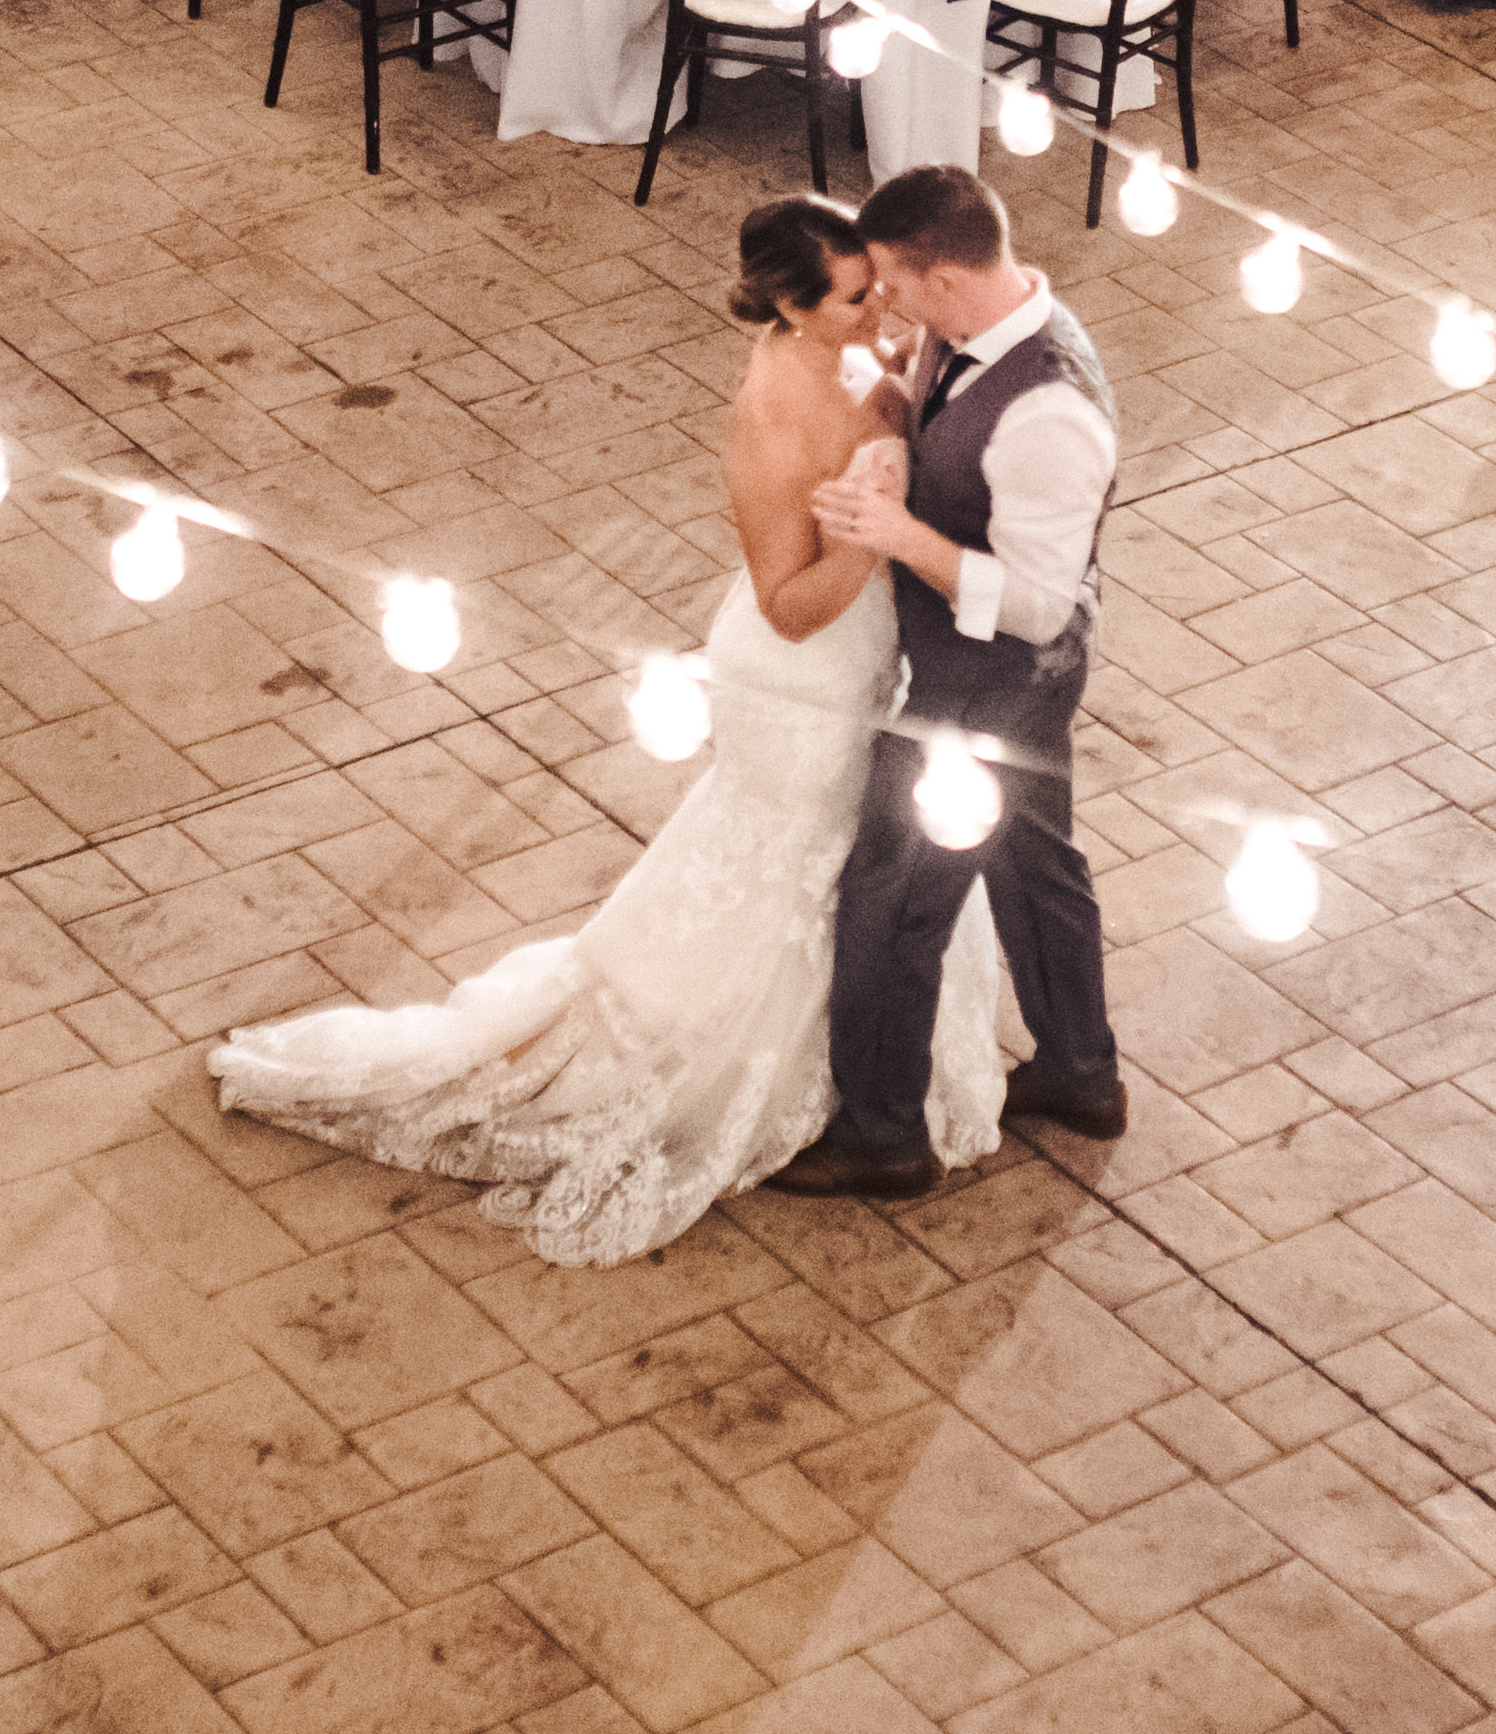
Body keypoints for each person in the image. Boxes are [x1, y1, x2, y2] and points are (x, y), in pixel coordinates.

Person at [206, 198, 1018, 1260]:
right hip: (801, 669)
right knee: (801, 866)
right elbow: (786, 600)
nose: (883, 308)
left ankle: (861, 1067)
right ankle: (770, 1074)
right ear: (789, 305)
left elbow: (882, 394)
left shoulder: (840, 353)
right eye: (859, 295)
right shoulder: (773, 416)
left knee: (845, 866)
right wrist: (881, 534)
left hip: (861, 654)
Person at [775, 165, 1121, 1202]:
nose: (882, 304)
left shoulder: (1049, 412)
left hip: (993, 682)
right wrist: (890, 447)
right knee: (1035, 862)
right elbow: (922, 414)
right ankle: (1081, 1071)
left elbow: (1037, 607)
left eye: (891, 282)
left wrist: (898, 534)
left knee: (889, 897)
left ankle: (881, 1138)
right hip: (988, 672)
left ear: (946, 276)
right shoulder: (971, 325)